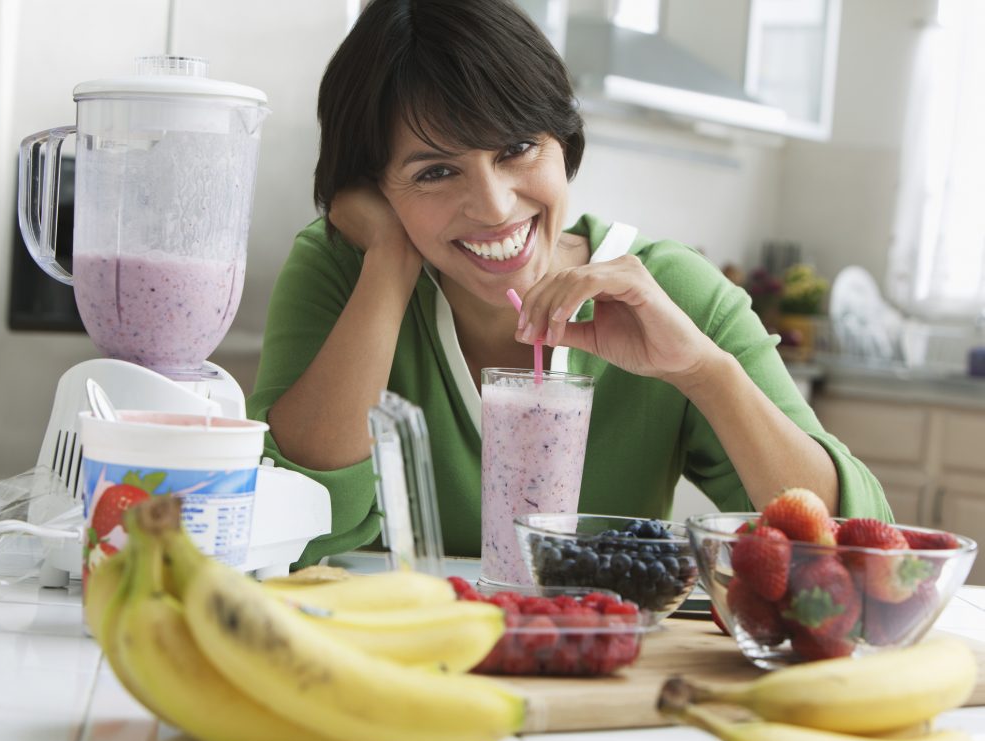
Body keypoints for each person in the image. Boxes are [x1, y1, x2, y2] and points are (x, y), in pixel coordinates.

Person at [247, 0, 890, 568]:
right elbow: (288, 534)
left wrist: (704, 373)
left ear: (563, 140)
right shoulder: (342, 271)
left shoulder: (672, 291)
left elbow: (846, 552)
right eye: (435, 172)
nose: (495, 207)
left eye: (516, 148)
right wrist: (388, 264)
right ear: (373, 187)